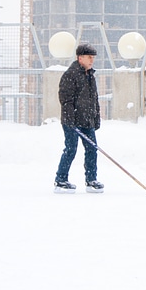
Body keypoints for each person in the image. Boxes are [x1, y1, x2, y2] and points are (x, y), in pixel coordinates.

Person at [54, 43, 103, 194]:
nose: (92, 60)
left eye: (93, 57)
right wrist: (70, 119)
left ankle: (91, 180)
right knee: (71, 149)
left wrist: (96, 118)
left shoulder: (90, 75)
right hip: (72, 121)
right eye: (89, 57)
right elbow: (65, 99)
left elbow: (94, 99)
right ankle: (60, 180)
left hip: (87, 119)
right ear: (80, 58)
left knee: (92, 149)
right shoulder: (71, 75)